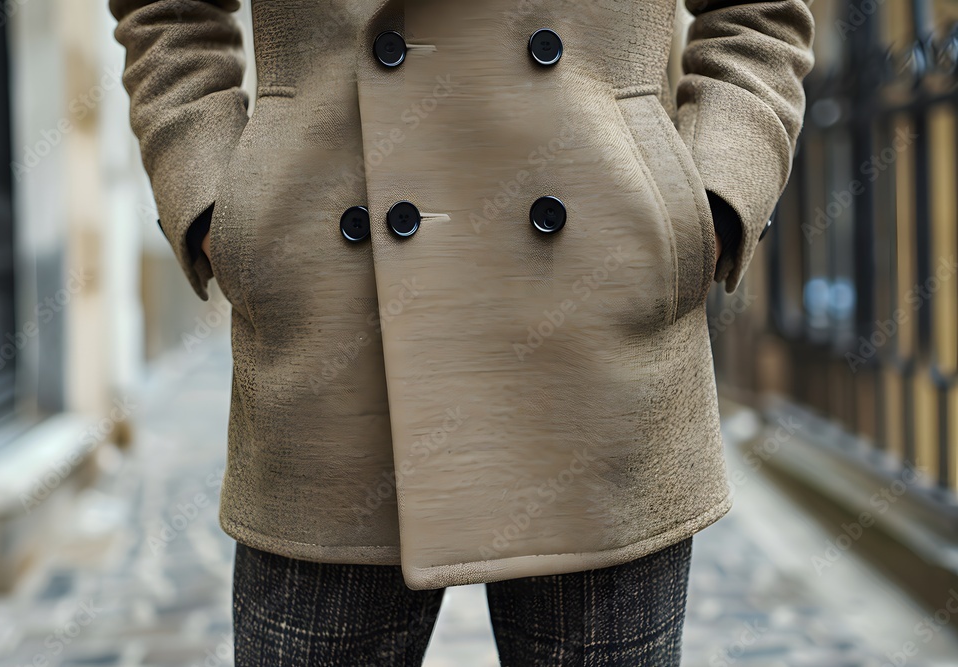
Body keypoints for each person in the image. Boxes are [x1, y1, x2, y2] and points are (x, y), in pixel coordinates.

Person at [110, 0, 814, 664]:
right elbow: (172, 15)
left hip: (600, 321)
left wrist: (709, 206)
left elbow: (757, 17)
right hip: (331, 320)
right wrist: (214, 205)